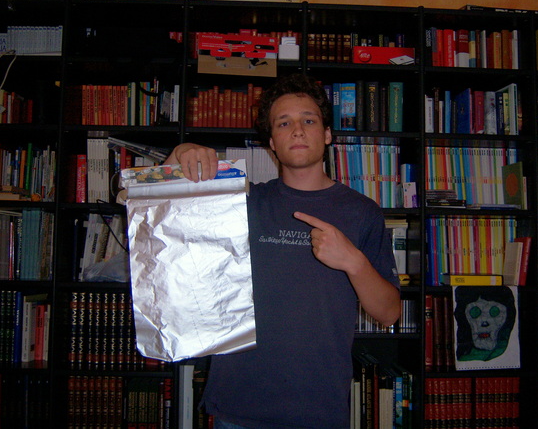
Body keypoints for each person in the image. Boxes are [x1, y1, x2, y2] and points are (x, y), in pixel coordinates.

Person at [164, 73, 401, 428]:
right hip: (237, 405)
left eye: (309, 120)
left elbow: (390, 313)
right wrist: (180, 153)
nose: (298, 130)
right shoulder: (242, 202)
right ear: (272, 142)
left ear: (327, 134)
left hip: (317, 409)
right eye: (284, 123)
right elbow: (161, 212)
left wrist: (354, 262)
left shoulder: (362, 212)